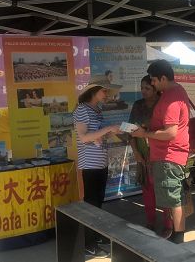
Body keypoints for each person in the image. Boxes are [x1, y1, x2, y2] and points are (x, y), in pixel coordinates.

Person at [131, 60, 190, 244]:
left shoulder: (171, 99)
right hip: (170, 155)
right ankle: (175, 234)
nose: (153, 84)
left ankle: (178, 239)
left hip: (168, 156)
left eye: (154, 80)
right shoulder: (175, 91)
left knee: (173, 200)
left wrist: (145, 133)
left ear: (163, 78)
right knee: (172, 198)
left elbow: (171, 132)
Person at [73, 77, 120, 258]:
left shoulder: (96, 110)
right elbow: (84, 137)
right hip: (90, 164)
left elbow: (95, 135)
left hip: (101, 161)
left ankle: (96, 235)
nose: (106, 94)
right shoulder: (82, 110)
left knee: (98, 201)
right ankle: (88, 243)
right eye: (104, 91)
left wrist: (107, 134)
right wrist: (107, 129)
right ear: (94, 91)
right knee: (91, 203)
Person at [128, 75, 173, 237]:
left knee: (164, 189)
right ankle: (151, 221)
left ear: (155, 88)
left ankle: (169, 224)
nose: (144, 91)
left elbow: (168, 131)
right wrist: (136, 153)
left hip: (161, 153)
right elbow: (130, 132)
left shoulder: (163, 104)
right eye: (142, 88)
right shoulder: (138, 105)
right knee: (147, 190)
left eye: (147, 88)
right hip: (143, 154)